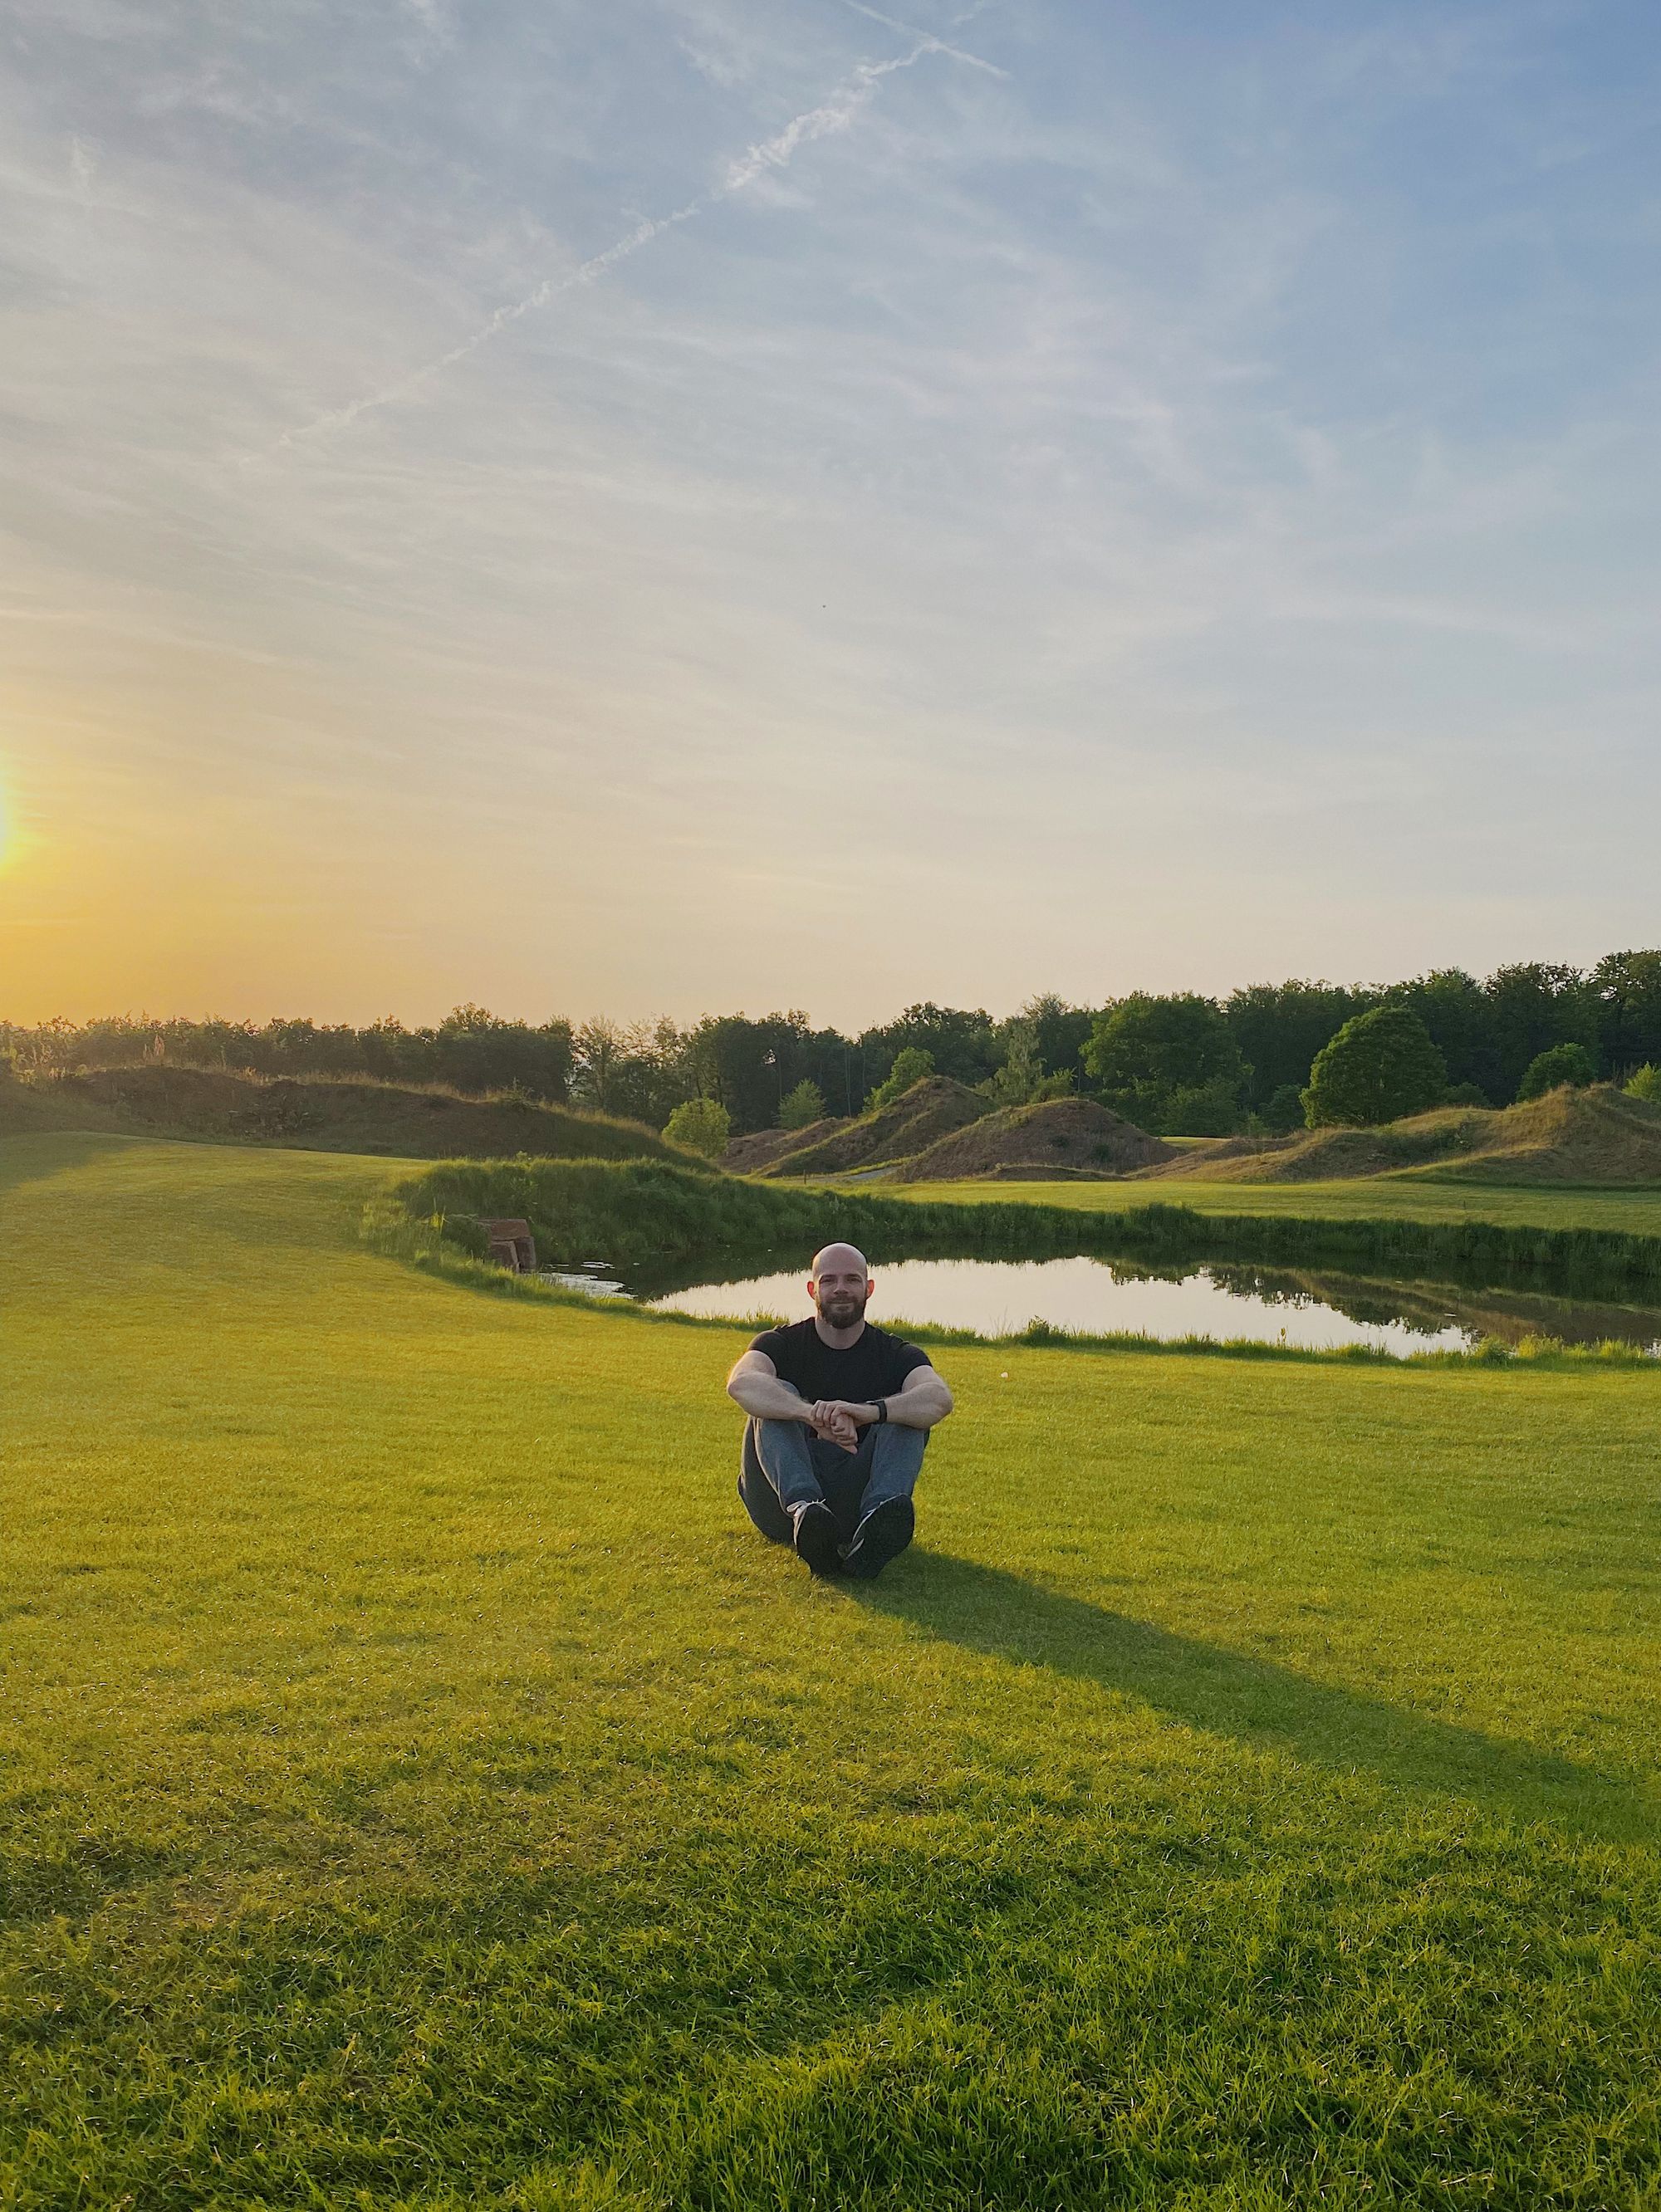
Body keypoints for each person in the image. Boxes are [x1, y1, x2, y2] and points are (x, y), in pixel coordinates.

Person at [725, 1241, 953, 1578]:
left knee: (907, 1407)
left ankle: (879, 1519)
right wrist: (809, 1414)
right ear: (812, 1289)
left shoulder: (895, 1353)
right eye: (829, 1280)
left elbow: (938, 1398)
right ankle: (806, 1510)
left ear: (869, 1288)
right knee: (774, 1394)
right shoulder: (780, 1343)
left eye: (852, 1279)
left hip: (854, 1505)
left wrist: (868, 1412)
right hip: (778, 1506)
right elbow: (741, 1383)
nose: (841, 1289)